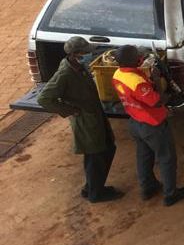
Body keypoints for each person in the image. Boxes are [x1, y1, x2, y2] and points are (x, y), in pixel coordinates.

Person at [37, 37, 122, 203]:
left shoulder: (78, 67)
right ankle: (96, 193)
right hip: (86, 122)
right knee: (96, 155)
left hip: (94, 116)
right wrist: (71, 111)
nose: (88, 54)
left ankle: (91, 187)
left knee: (104, 150)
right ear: (75, 54)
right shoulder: (65, 74)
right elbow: (44, 99)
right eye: (85, 52)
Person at [111, 45, 184, 206]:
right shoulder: (136, 82)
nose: (141, 58)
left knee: (144, 156)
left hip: (135, 121)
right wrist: (157, 82)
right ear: (134, 60)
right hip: (152, 124)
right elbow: (156, 101)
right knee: (166, 158)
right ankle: (171, 194)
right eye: (138, 56)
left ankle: (147, 188)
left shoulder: (118, 74)